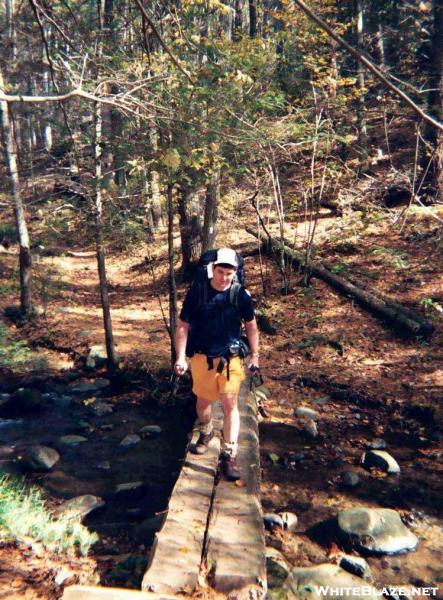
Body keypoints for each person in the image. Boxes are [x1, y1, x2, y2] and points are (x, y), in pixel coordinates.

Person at [174, 248, 259, 481]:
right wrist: (180, 357)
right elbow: (183, 326)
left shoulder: (240, 295)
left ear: (235, 272)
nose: (224, 277)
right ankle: (206, 430)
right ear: (213, 269)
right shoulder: (197, 293)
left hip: (231, 357)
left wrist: (255, 356)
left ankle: (229, 453)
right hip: (202, 357)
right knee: (203, 402)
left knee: (230, 403)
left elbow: (251, 326)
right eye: (220, 272)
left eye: (229, 273)